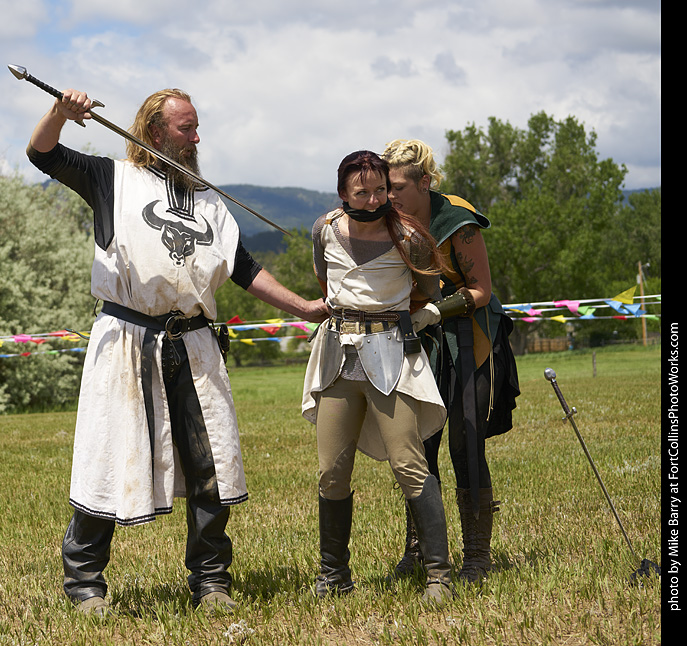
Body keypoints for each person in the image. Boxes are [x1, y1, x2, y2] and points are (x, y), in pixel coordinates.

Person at [26, 87, 329, 615]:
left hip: (195, 343)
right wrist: (60, 112)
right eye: (186, 128)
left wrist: (303, 306)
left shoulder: (210, 201)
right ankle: (85, 584)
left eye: (196, 127)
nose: (196, 138)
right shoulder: (111, 179)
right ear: (155, 131)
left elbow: (242, 267)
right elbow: (42, 154)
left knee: (211, 464)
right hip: (126, 342)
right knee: (108, 455)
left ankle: (211, 582)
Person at [301, 150, 463, 605]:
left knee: (410, 465)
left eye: (380, 190)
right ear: (342, 192)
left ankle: (438, 576)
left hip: (391, 355)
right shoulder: (324, 229)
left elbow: (427, 290)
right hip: (337, 357)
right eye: (362, 192)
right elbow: (324, 281)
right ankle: (334, 575)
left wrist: (397, 316)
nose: (373, 200)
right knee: (331, 472)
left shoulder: (410, 235)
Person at [381, 139, 520, 584]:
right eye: (386, 186)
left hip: (470, 339)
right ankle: (420, 549)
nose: (390, 195)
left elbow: (480, 290)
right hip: (421, 343)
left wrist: (436, 310)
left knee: (465, 443)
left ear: (424, 182)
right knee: (418, 447)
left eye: (399, 186)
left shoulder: (457, 219)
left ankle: (477, 556)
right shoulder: (388, 221)